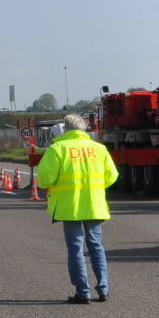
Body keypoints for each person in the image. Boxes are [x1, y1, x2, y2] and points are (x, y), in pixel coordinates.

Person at [36, 113, 118, 304]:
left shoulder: (58, 149)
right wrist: (94, 187)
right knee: (96, 246)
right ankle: (103, 288)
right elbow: (111, 176)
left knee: (76, 248)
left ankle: (83, 292)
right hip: (94, 204)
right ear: (84, 129)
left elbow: (44, 179)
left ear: (66, 129)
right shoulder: (99, 148)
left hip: (69, 205)